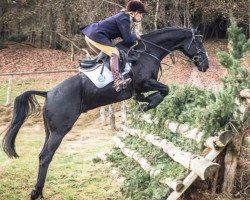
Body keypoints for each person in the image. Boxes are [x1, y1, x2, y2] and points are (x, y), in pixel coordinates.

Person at [81, 0, 147, 92]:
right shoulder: (125, 18)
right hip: (96, 34)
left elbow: (125, 36)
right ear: (135, 12)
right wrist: (136, 36)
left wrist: (133, 36)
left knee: (107, 57)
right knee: (114, 52)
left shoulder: (124, 17)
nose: (141, 16)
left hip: (92, 34)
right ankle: (117, 82)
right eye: (140, 13)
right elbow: (128, 39)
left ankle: (103, 79)